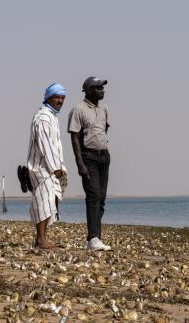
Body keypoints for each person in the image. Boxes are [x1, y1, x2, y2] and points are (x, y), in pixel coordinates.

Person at [68, 76, 113, 251]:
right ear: (87, 90)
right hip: (88, 158)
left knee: (101, 198)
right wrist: (80, 163)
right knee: (93, 196)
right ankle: (94, 237)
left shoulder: (104, 107)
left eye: (103, 87)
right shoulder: (78, 109)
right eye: (98, 88)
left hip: (104, 156)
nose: (102, 90)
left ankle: (93, 238)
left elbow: (105, 129)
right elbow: (75, 137)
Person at [27, 83, 69, 249]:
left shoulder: (52, 116)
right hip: (42, 167)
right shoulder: (43, 118)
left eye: (62, 98)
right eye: (57, 97)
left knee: (49, 201)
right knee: (43, 202)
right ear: (48, 98)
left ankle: (43, 238)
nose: (60, 101)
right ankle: (41, 239)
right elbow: (46, 145)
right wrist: (55, 168)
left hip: (49, 167)